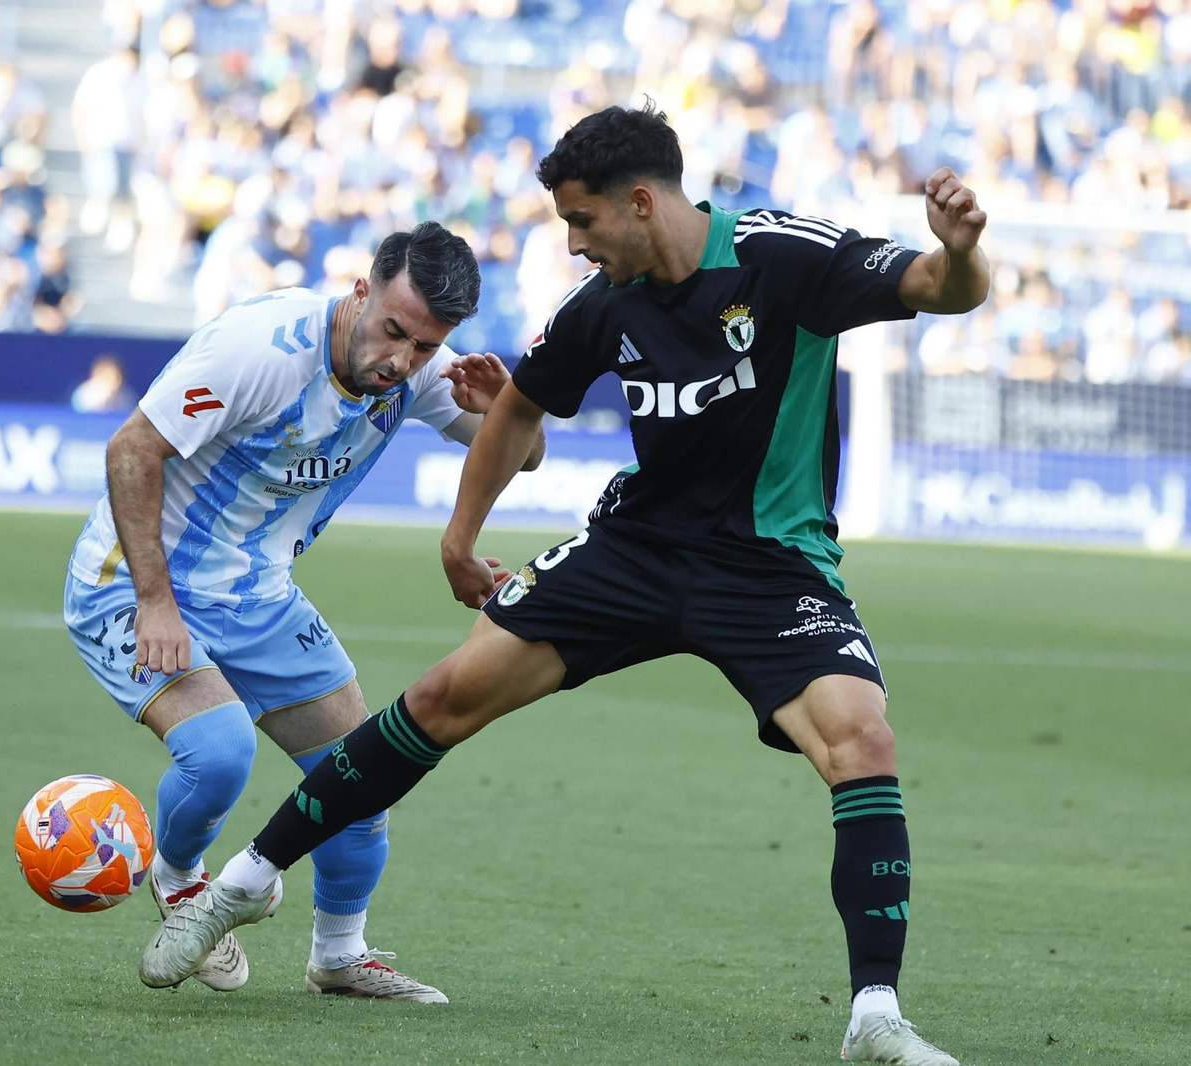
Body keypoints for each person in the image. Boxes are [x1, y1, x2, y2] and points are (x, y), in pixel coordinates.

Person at [139, 103, 990, 1066]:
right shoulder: (602, 305)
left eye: (581, 223)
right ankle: (238, 887)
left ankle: (875, 1015)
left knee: (861, 739)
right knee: (441, 697)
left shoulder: (783, 256)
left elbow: (939, 288)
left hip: (770, 564)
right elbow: (515, 412)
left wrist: (960, 251)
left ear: (636, 203)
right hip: (631, 552)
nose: (574, 246)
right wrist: (462, 540)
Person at [65, 221, 545, 1000]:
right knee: (220, 755)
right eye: (393, 331)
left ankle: (339, 956)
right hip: (134, 582)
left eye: (425, 346)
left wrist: (508, 415)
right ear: (361, 289)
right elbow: (131, 450)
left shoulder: (421, 368)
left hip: (258, 595)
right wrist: (155, 601)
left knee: (361, 775)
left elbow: (522, 457)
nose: (403, 361)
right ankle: (182, 881)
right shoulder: (260, 347)